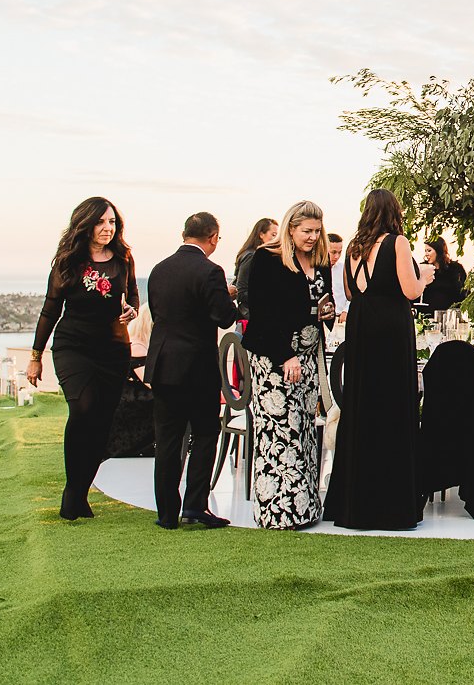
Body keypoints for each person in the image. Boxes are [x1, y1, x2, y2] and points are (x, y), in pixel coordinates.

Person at [323, 188, 431, 530]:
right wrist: (425, 277)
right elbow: (411, 291)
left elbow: (352, 292)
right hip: (390, 325)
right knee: (392, 409)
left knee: (362, 407)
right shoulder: (397, 242)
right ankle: (390, 506)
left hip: (362, 322)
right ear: (393, 212)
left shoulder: (354, 247)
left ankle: (355, 503)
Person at [27, 197, 140, 520]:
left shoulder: (123, 258)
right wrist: (35, 356)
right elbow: (50, 310)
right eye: (101, 222)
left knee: (103, 421)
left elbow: (132, 295)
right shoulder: (68, 262)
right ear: (86, 224)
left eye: (112, 222)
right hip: (73, 346)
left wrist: (131, 310)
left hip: (114, 348)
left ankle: (81, 491)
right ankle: (72, 490)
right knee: (83, 408)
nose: (107, 228)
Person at [237, 201, 334, 530]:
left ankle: (305, 509)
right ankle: (277, 513)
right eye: (307, 231)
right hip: (274, 356)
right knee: (279, 431)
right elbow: (262, 314)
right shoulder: (266, 258)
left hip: (309, 356)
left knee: (306, 430)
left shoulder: (320, 261)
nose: (312, 237)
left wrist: (327, 314)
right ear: (290, 228)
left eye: (316, 231)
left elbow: (323, 301)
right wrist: (285, 355)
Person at [145, 212, 240, 529]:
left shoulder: (159, 270)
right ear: (213, 237)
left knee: (168, 440)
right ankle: (196, 506)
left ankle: (167, 513)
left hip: (162, 364)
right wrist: (229, 296)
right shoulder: (211, 271)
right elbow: (224, 318)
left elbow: (160, 312)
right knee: (204, 434)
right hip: (196, 367)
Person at [420, 237, 467, 312]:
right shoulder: (423, 268)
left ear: (438, 250)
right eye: (425, 251)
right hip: (427, 314)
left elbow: (463, 293)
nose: (426, 254)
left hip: (449, 314)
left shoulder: (455, 268)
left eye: (429, 251)